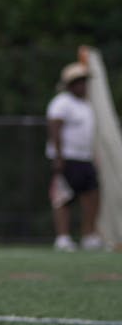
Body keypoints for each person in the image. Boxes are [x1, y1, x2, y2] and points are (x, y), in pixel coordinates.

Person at [45, 62, 103, 252]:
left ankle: (89, 236)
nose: (83, 86)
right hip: (68, 158)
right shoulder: (61, 103)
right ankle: (63, 238)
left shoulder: (85, 105)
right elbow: (55, 129)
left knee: (91, 196)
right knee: (63, 198)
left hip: (84, 158)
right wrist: (59, 157)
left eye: (84, 82)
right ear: (70, 84)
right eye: (79, 82)